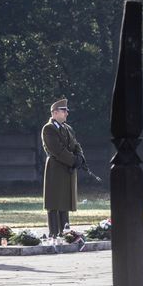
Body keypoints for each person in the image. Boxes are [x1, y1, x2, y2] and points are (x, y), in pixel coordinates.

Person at [41, 98, 86, 237]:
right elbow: (57, 150)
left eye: (67, 110)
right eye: (64, 110)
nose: (67, 113)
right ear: (54, 113)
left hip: (68, 169)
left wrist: (80, 158)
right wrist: (73, 161)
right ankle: (54, 234)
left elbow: (76, 145)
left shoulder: (68, 128)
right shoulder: (48, 129)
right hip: (56, 169)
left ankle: (65, 232)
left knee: (65, 202)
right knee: (54, 202)